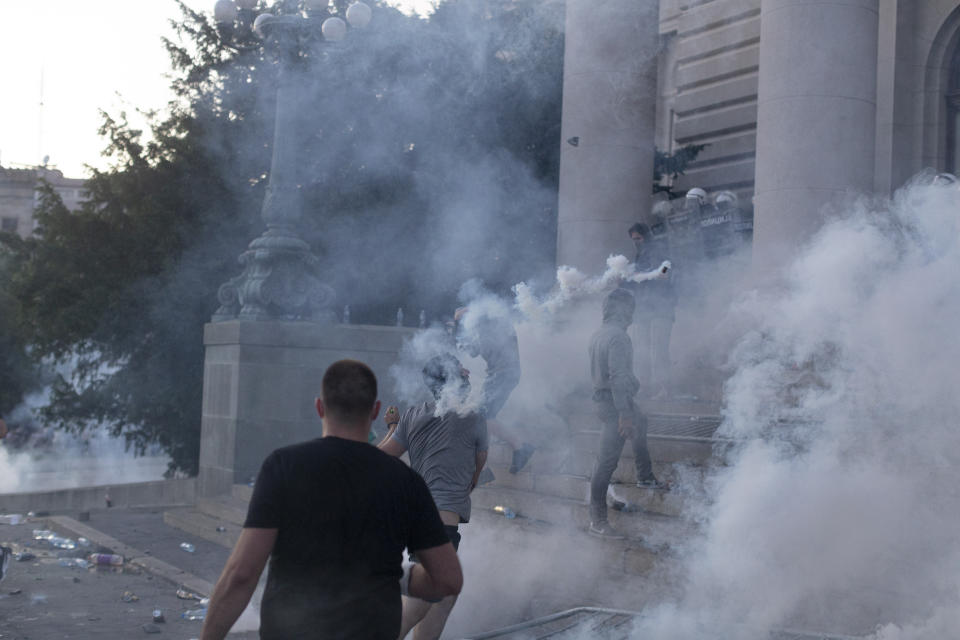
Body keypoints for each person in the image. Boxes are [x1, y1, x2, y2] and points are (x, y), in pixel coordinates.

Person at [199, 360, 462, 640]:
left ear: (319, 407)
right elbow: (447, 579)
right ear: (374, 411)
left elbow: (241, 574)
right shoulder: (406, 481)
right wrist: (400, 578)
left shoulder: (283, 467)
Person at [379, 353, 488, 640]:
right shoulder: (473, 416)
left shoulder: (412, 415)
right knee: (419, 603)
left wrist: (392, 427)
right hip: (439, 522)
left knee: (446, 593)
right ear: (457, 378)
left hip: (418, 518)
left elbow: (380, 458)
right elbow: (476, 473)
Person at [588, 288, 665, 540]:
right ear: (623, 310)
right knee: (606, 464)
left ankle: (645, 477)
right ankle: (597, 521)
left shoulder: (599, 334)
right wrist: (624, 413)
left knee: (642, 422)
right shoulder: (618, 337)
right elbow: (618, 377)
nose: (633, 314)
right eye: (630, 308)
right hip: (614, 404)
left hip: (608, 401)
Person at [453, 305, 535, 474]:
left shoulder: (493, 326)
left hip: (503, 375)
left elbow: (472, 349)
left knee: (482, 417)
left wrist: (458, 325)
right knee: (481, 417)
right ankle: (482, 466)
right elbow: (472, 350)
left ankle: (519, 446)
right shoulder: (487, 327)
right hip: (498, 376)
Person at [627, 221, 676, 400]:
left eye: (639, 238)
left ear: (646, 236)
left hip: (661, 308)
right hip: (643, 309)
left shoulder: (660, 251)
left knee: (658, 350)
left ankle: (664, 389)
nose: (636, 242)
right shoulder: (639, 255)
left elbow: (664, 271)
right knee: (642, 349)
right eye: (634, 239)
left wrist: (650, 275)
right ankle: (644, 387)